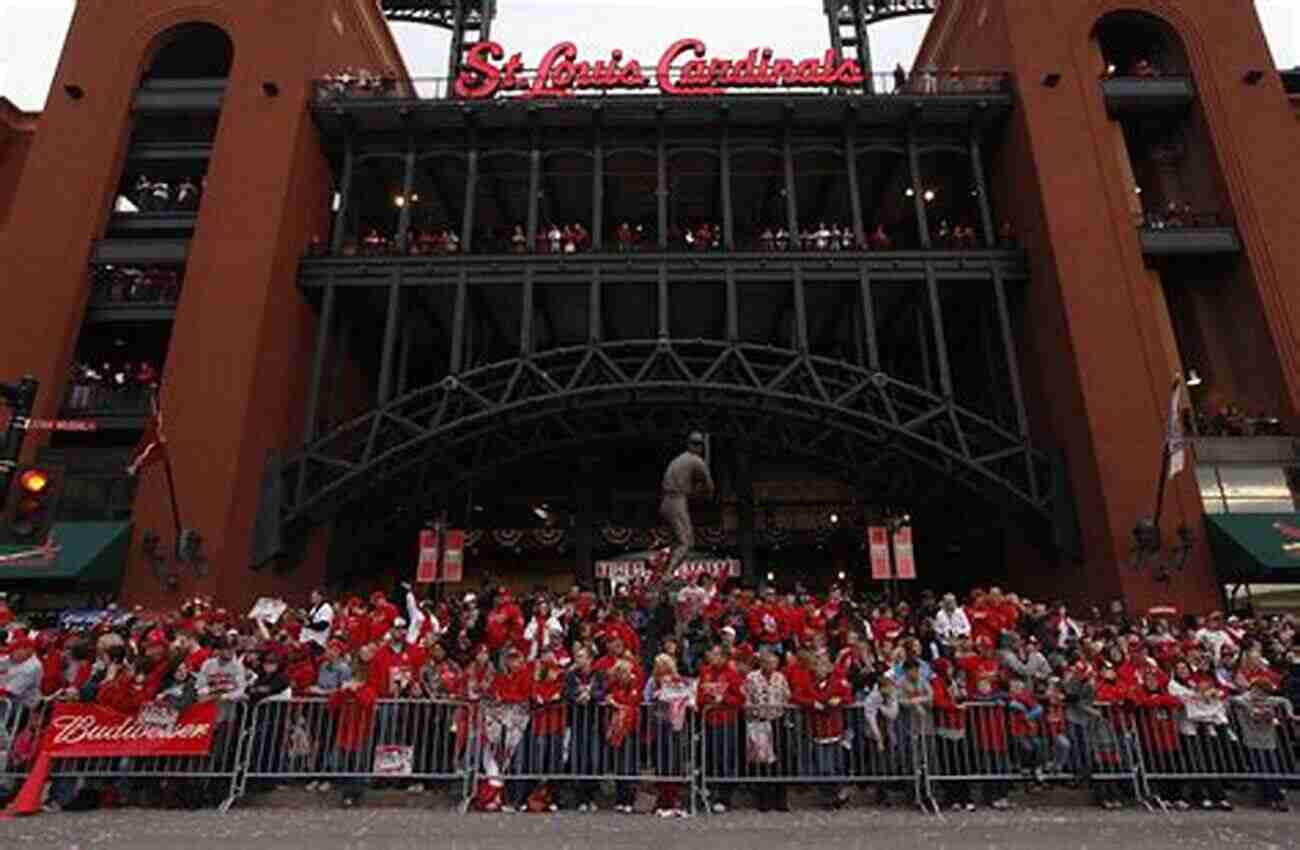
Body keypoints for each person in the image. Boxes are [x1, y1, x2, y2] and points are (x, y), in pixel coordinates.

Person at [659, 433, 715, 575]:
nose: (698, 448)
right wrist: (706, 494)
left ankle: (665, 573)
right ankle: (668, 574)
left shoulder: (679, 459)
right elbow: (709, 486)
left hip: (665, 502)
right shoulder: (696, 461)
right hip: (676, 500)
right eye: (697, 445)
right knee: (687, 543)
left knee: (675, 544)